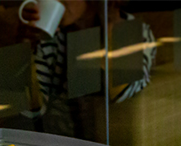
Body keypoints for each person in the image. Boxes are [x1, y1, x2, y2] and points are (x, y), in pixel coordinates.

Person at [19, 0, 156, 137]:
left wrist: (105, 26)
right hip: (54, 140)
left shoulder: (132, 30)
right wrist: (25, 49)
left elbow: (122, 92)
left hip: (98, 144)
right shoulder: (52, 35)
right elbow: (33, 107)